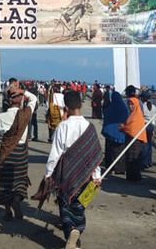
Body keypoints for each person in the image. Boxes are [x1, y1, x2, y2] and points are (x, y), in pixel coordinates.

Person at [34, 91, 102, 249]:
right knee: (79, 206)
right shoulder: (90, 127)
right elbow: (94, 155)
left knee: (65, 206)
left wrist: (48, 175)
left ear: (67, 107)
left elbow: (55, 154)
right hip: (85, 175)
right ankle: (76, 234)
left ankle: (71, 231)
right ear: (80, 104)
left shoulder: (63, 126)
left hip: (66, 174)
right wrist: (97, 176)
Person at [0, 86, 37, 220]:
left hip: (6, 154)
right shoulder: (25, 114)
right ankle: (16, 201)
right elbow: (34, 99)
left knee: (5, 183)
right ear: (20, 100)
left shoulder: (1, 117)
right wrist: (23, 91)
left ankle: (8, 211)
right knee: (20, 181)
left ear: (7, 101)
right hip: (21, 154)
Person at [122, 85, 147, 182]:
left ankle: (135, 177)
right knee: (130, 156)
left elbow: (133, 127)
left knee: (134, 156)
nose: (130, 106)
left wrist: (124, 128)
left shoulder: (136, 114)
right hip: (131, 136)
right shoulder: (137, 106)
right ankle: (130, 176)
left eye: (131, 105)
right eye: (129, 104)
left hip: (136, 137)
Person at [101, 90, 128, 175]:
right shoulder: (124, 108)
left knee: (109, 151)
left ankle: (109, 167)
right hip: (120, 132)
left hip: (109, 132)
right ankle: (120, 169)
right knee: (120, 151)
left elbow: (105, 116)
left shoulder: (110, 107)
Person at [140, 90, 156, 169]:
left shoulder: (142, 106)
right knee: (149, 144)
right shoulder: (154, 107)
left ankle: (143, 162)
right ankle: (149, 161)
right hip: (151, 126)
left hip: (144, 126)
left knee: (143, 144)